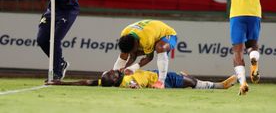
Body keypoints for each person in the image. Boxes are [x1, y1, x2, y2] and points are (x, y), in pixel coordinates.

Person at [36, 0, 80, 80]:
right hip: (53, 9)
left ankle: (57, 73)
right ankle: (60, 62)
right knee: (41, 39)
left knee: (55, 39)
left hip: (69, 9)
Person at [113, 20, 177, 89]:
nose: (131, 53)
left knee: (160, 47)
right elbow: (132, 55)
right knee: (124, 51)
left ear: (136, 44)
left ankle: (161, 82)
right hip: (152, 31)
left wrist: (132, 68)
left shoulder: (146, 39)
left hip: (168, 34)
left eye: (133, 50)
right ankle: (115, 71)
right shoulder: (124, 33)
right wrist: (122, 70)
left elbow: (149, 58)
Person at [46, 69, 237, 90]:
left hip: (155, 74)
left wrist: (60, 82)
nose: (112, 71)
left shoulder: (108, 80)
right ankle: (221, 86)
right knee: (190, 82)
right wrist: (136, 86)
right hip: (161, 79)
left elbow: (85, 82)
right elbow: (134, 86)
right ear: (114, 80)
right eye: (111, 74)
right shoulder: (125, 81)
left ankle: (187, 77)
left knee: (187, 78)